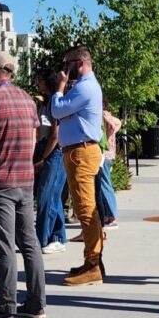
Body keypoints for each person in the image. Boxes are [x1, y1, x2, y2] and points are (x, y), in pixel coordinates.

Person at [0, 51, 46, 318]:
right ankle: (37, 303)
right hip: (25, 180)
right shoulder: (27, 99)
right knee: (30, 243)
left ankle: (5, 307)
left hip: (0, 181)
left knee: (4, 247)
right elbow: (36, 133)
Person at [50, 45, 105, 286]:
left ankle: (93, 265)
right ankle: (92, 261)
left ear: (80, 63)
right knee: (86, 208)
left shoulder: (85, 87)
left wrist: (59, 89)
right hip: (77, 152)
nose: (64, 69)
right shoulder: (83, 87)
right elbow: (63, 113)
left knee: (85, 209)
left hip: (82, 153)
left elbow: (56, 110)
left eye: (67, 64)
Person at [33, 69, 67, 255]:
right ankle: (57, 236)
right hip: (44, 149)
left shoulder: (56, 103)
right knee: (49, 195)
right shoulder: (45, 103)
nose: (38, 83)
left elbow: (55, 135)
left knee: (47, 195)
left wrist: (43, 158)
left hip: (54, 153)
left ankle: (44, 237)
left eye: (41, 80)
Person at [95, 99, 122, 229]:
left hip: (104, 154)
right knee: (103, 182)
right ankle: (108, 214)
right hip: (108, 153)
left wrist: (106, 135)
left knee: (105, 183)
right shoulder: (106, 114)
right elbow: (118, 123)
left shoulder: (102, 114)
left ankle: (111, 216)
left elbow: (112, 125)